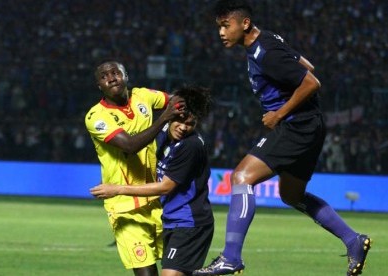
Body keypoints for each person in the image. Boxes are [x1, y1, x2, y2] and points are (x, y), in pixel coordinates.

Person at [193, 1, 371, 275]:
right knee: (291, 194)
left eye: (225, 25)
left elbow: (311, 82)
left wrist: (278, 114)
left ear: (245, 23)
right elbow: (307, 65)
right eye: (219, 26)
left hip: (295, 126)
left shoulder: (266, 52)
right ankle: (353, 240)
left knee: (241, 177)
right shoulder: (267, 41)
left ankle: (231, 257)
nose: (221, 32)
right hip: (310, 126)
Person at [91, 84, 214, 276]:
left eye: (190, 124)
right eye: (180, 120)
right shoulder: (165, 134)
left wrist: (117, 189)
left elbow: (165, 186)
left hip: (190, 223)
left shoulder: (190, 146)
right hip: (171, 220)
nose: (183, 127)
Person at [85, 60, 185, 276]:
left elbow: (176, 101)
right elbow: (129, 146)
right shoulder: (96, 117)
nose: (111, 78)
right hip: (125, 207)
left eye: (115, 73)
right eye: (104, 76)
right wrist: (165, 119)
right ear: (99, 86)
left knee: (178, 271)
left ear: (126, 76)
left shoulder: (143, 96)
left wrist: (180, 116)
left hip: (158, 201)